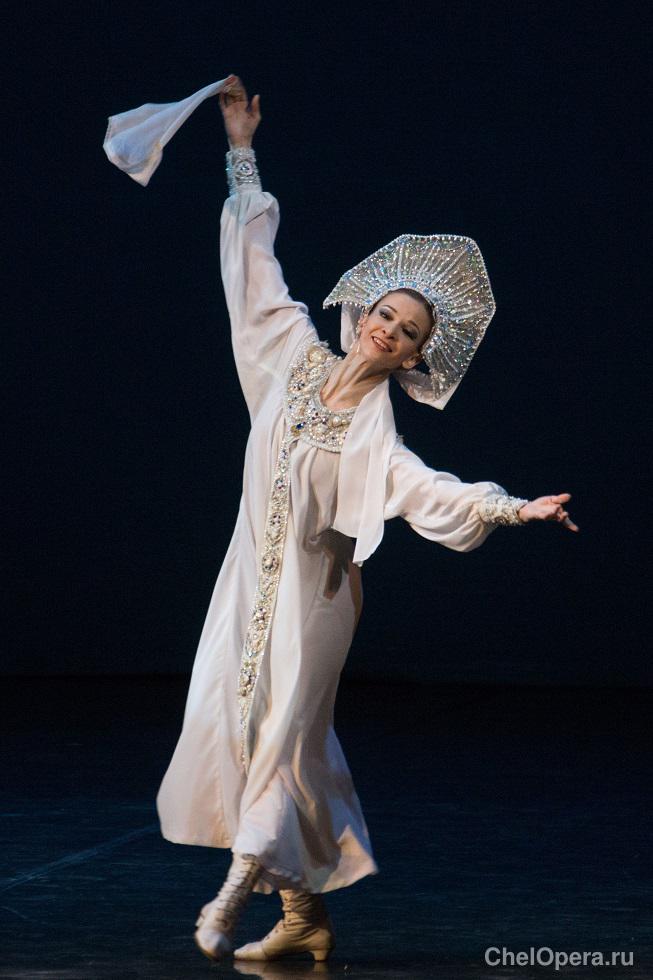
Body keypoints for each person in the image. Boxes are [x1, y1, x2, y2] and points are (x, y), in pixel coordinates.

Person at [154, 74, 579, 964]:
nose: (389, 330)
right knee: (245, 732)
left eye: (409, 332)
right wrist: (240, 151)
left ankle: (232, 891)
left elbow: (428, 490)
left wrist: (512, 508)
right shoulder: (288, 358)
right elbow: (253, 271)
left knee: (280, 739)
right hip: (247, 582)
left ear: (419, 358)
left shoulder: (373, 434)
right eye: (386, 313)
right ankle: (305, 914)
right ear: (363, 310)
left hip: (317, 600)